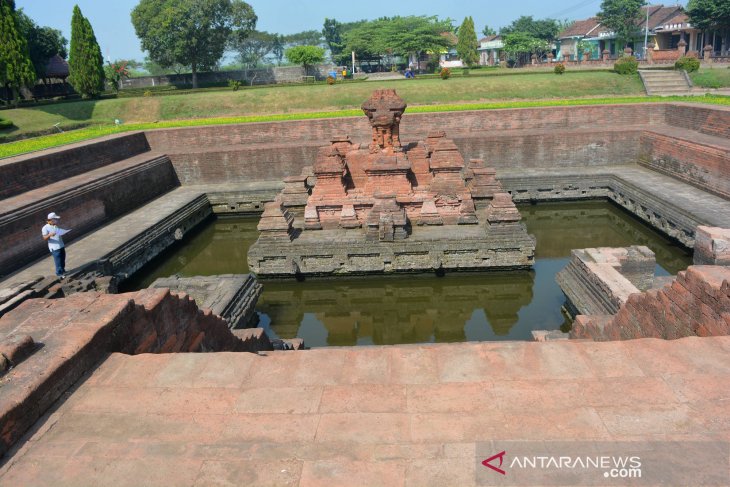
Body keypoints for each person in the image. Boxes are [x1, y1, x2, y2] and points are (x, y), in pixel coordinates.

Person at [42, 212, 67, 279]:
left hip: (61, 245)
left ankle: (63, 271)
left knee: (62, 259)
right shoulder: (45, 228)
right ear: (51, 219)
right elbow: (44, 238)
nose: (57, 220)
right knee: (58, 261)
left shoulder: (55, 226)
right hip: (55, 247)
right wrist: (50, 235)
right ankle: (59, 273)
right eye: (55, 219)